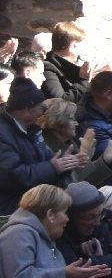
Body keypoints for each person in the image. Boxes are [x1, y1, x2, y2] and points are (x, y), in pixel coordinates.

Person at [0, 79, 86, 217]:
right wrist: (53, 167)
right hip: (13, 212)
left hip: (34, 202)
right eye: (41, 108)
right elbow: (14, 176)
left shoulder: (31, 129)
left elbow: (47, 161)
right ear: (28, 109)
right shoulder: (3, 134)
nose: (43, 112)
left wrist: (65, 163)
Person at [41, 22, 90, 105]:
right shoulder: (47, 68)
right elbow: (60, 101)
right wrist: (84, 81)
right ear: (67, 46)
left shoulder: (70, 67)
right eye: (76, 45)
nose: (80, 50)